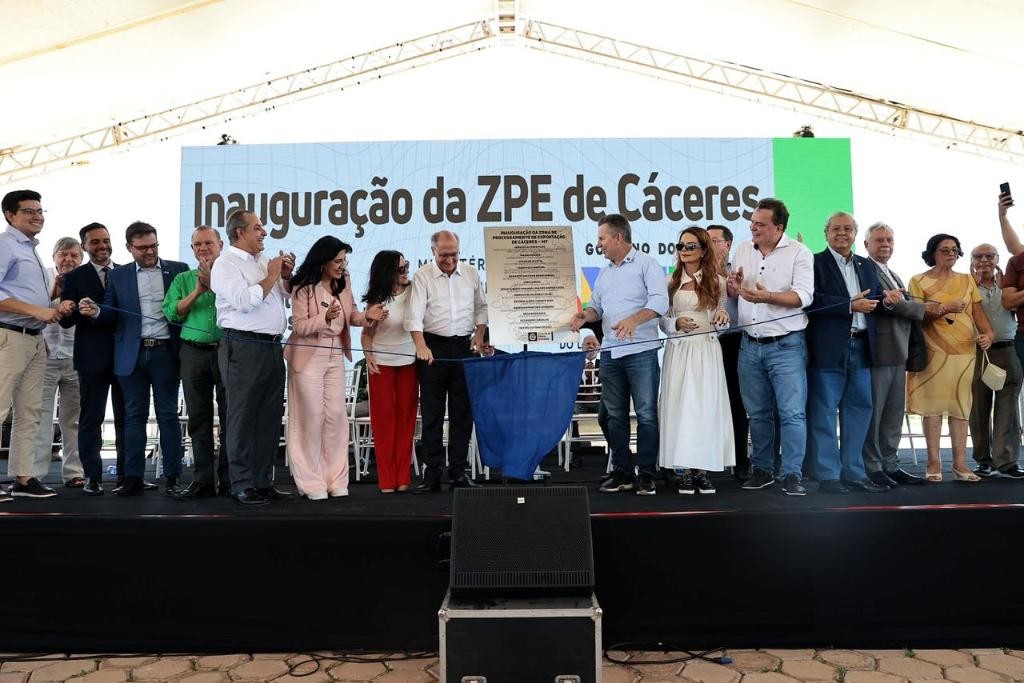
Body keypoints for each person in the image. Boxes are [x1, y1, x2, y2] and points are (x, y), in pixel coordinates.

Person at [80, 222, 189, 496]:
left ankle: (173, 478)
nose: (149, 252)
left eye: (153, 246)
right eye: (142, 248)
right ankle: (133, 478)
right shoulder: (119, 275)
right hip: (131, 354)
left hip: (166, 353)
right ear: (129, 248)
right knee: (133, 417)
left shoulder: (179, 270)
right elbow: (110, 311)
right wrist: (95, 312)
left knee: (168, 415)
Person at [570, 214, 669, 495]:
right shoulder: (605, 273)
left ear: (618, 237)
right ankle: (622, 471)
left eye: (602, 238)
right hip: (611, 352)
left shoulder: (647, 264)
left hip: (641, 351)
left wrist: (634, 320)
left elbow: (660, 302)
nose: (599, 243)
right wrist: (584, 316)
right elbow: (596, 308)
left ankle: (646, 473)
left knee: (646, 414)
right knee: (614, 416)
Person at [284, 237, 384, 500]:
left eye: (344, 261)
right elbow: (299, 326)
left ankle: (336, 479)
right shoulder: (303, 286)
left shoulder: (344, 281)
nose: (342, 266)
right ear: (323, 261)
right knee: (311, 418)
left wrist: (367, 316)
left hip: (335, 353)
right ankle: (311, 481)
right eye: (338, 261)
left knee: (336, 417)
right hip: (308, 354)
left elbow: (352, 315)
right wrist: (323, 318)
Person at [726, 197, 813, 496]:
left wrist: (768, 297)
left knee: (791, 413)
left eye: (761, 224)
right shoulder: (742, 249)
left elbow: (803, 297)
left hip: (786, 345)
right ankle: (762, 469)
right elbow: (734, 292)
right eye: (752, 223)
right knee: (758, 413)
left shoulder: (799, 252)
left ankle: (792, 474)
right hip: (749, 345)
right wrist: (734, 286)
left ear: (779, 228)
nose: (754, 228)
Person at [805, 212, 896, 494]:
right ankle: (828, 475)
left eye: (847, 229)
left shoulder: (865, 265)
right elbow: (809, 299)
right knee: (824, 411)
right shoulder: (814, 262)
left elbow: (874, 297)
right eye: (836, 229)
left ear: (856, 234)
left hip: (861, 345)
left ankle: (854, 472)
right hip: (828, 347)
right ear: (826, 233)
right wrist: (848, 305)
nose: (842, 233)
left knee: (860, 409)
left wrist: (887, 300)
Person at [210, 209, 295, 506]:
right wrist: (272, 275)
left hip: (272, 346)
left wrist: (285, 277)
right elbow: (245, 302)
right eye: (258, 227)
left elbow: (282, 295)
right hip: (243, 345)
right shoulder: (225, 264)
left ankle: (262, 481)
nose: (264, 232)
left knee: (269, 417)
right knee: (242, 416)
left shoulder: (262, 261)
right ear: (240, 232)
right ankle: (241, 483)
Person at [405, 230, 488, 493]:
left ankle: (458, 473)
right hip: (433, 348)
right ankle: (432, 474)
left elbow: (482, 307)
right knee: (432, 414)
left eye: (454, 254)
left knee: (462, 414)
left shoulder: (471, 274)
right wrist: (421, 345)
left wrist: (479, 335)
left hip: (464, 347)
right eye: (444, 255)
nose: (450, 260)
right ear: (433, 252)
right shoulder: (422, 276)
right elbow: (414, 316)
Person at [907, 234, 994, 482]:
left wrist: (988, 335)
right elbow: (916, 315)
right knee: (932, 407)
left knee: (961, 406)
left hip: (964, 352)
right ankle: (933, 463)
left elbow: (978, 313)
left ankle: (960, 464)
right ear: (932, 253)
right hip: (932, 351)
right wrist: (944, 308)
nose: (951, 254)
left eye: (955, 250)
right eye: (945, 250)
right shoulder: (918, 281)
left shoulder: (967, 280)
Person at [658, 226, 733, 494]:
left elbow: (722, 318)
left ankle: (703, 471)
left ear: (703, 250)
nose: (684, 251)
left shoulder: (718, 282)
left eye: (690, 246)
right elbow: (662, 320)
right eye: (681, 246)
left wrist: (723, 319)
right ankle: (685, 471)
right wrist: (675, 323)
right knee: (682, 409)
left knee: (704, 408)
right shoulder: (669, 282)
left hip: (706, 350)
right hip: (679, 351)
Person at [1, 190, 65, 499]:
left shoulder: (31, 248)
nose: (37, 216)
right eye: (29, 211)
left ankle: (24, 479)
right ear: (10, 215)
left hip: (34, 339)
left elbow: (23, 294)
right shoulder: (5, 244)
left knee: (30, 413)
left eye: (40, 210)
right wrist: (38, 311)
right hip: (9, 337)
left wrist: (52, 300)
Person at [163, 226, 231, 499]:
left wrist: (215, 284)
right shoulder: (182, 279)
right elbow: (172, 313)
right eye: (198, 244)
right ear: (192, 249)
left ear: (221, 245)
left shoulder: (232, 276)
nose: (203, 248)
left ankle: (229, 480)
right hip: (193, 353)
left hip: (227, 351)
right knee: (198, 419)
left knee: (230, 417)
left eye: (208, 243)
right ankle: (203, 481)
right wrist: (198, 291)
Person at [59, 222, 126, 495]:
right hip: (91, 359)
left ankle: (127, 476)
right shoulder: (75, 277)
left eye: (105, 240)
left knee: (127, 419)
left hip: (125, 358)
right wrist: (71, 309)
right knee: (91, 419)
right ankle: (92, 477)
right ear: (84, 246)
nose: (102, 246)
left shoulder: (126, 273)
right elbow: (65, 322)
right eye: (95, 242)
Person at [861, 222, 925, 486]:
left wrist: (909, 305)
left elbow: (899, 303)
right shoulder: (864, 269)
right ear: (866, 244)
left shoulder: (893, 273)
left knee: (894, 415)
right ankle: (873, 466)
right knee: (875, 415)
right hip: (879, 352)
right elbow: (887, 304)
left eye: (889, 240)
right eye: (879, 240)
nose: (885, 244)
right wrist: (923, 309)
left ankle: (891, 464)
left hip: (899, 352)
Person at [361, 250, 418, 494]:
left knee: (406, 420)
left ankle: (403, 476)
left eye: (406, 266)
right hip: (381, 364)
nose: (406, 271)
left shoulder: (415, 291)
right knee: (384, 422)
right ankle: (386, 479)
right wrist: (369, 356)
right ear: (388, 272)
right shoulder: (377, 298)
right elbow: (366, 334)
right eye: (400, 268)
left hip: (409, 362)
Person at [968, 244, 1024, 479]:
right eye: (978, 256)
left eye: (989, 256)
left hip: (1008, 349)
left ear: (997, 259)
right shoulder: (965, 286)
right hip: (977, 352)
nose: (984, 260)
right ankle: (983, 461)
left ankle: (1007, 462)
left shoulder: (1009, 286)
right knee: (978, 408)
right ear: (971, 260)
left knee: (1008, 408)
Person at [34, 237, 85, 489]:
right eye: (63, 254)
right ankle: (33, 475)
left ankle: (74, 472)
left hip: (76, 358)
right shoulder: (41, 277)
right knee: (39, 417)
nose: (68, 259)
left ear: (82, 258)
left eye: (74, 255)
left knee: (73, 419)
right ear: (54, 256)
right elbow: (29, 309)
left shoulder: (86, 280)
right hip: (43, 357)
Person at [707, 224, 750, 480]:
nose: (710, 245)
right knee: (705, 403)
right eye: (707, 240)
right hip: (704, 343)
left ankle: (741, 461)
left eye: (715, 240)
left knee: (736, 402)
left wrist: (724, 273)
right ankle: (705, 463)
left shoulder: (738, 270)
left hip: (734, 341)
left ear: (728, 244)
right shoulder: (696, 272)